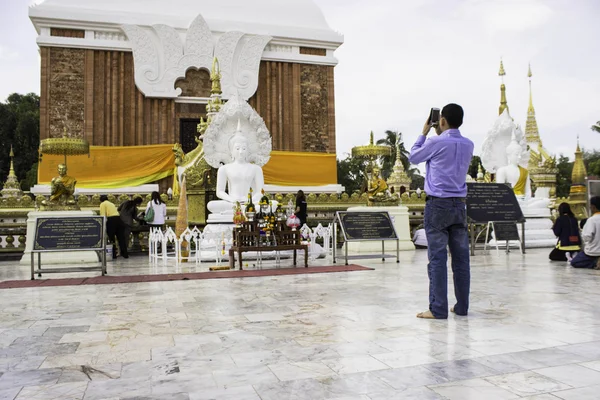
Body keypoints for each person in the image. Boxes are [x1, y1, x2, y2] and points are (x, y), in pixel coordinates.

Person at [408, 103, 474, 319]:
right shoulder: (468, 144)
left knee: (437, 258)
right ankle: (462, 307)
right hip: (459, 205)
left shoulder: (435, 141)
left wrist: (425, 132)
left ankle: (437, 309)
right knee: (461, 260)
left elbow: (414, 157)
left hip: (437, 206)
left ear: (441, 120)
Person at [571, 196, 600, 269]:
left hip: (594, 251)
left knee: (575, 262)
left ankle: (595, 263)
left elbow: (587, 237)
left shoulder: (592, 220)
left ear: (593, 207)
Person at [99, 195, 128, 259]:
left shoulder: (102, 204)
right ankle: (125, 254)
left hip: (111, 220)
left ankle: (113, 254)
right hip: (118, 219)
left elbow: (103, 215)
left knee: (111, 238)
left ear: (101, 200)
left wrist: (103, 225)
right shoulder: (111, 203)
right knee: (121, 238)